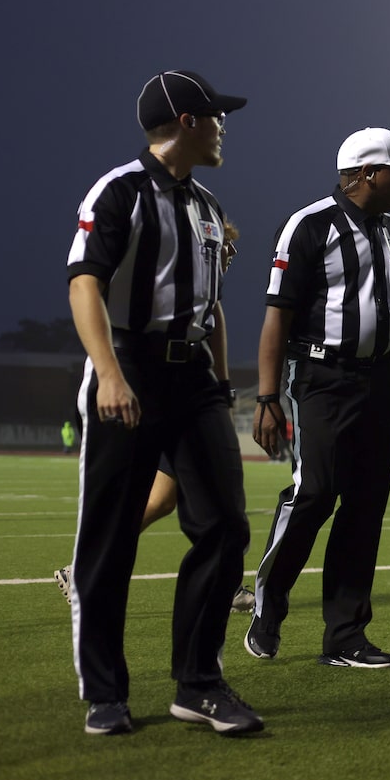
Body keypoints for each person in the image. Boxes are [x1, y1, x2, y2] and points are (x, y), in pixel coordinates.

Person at [65, 70, 259, 735]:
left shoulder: (207, 205)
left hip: (195, 379)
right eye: (215, 115)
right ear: (185, 121)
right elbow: (84, 284)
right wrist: (110, 374)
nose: (223, 125)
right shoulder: (119, 192)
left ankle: (198, 682)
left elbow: (212, 304)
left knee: (225, 526)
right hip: (133, 371)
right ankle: (105, 692)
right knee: (110, 539)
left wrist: (225, 386)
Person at [247, 127, 390, 670]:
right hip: (322, 376)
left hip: (380, 381)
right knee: (314, 494)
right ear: (365, 174)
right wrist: (267, 397)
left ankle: (345, 636)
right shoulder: (309, 225)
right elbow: (277, 316)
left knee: (365, 510)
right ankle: (268, 601)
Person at [57, 220, 255, 614]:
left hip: (182, 397)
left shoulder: (202, 294)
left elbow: (211, 334)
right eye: (222, 249)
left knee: (171, 499)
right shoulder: (167, 285)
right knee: (191, 495)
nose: (228, 257)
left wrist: (221, 391)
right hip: (147, 392)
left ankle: (82, 567)